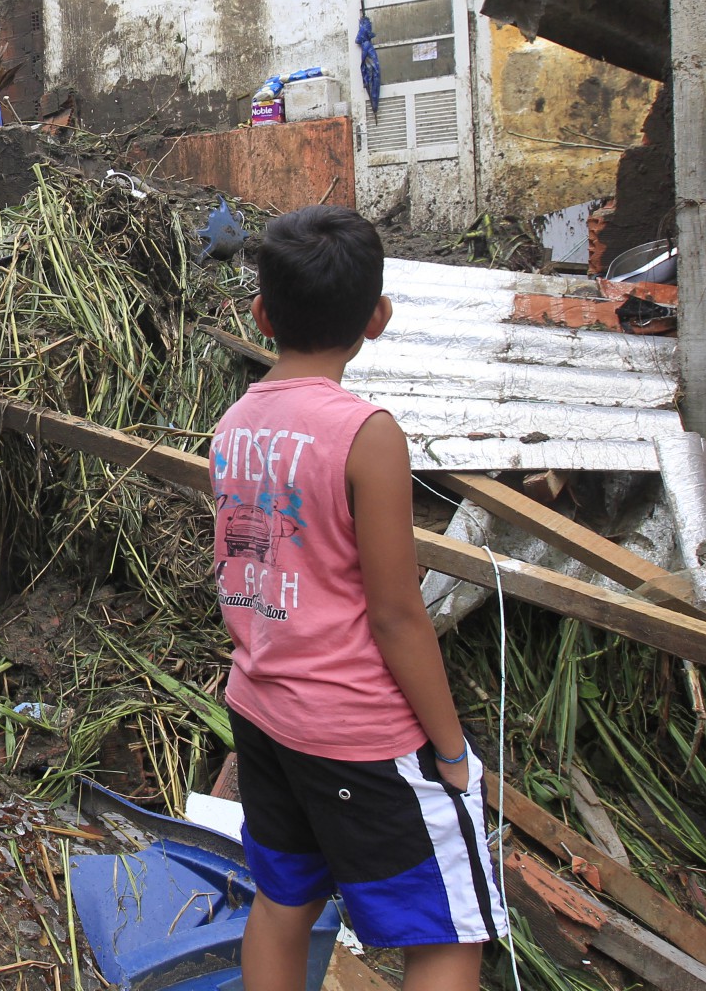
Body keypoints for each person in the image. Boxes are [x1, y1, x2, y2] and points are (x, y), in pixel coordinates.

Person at [210, 206, 504, 991]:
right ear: (378, 317)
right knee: (449, 933)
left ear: (262, 313)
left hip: (263, 709)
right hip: (357, 729)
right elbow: (396, 613)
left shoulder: (234, 425)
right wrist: (450, 751)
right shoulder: (366, 434)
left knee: (281, 901)